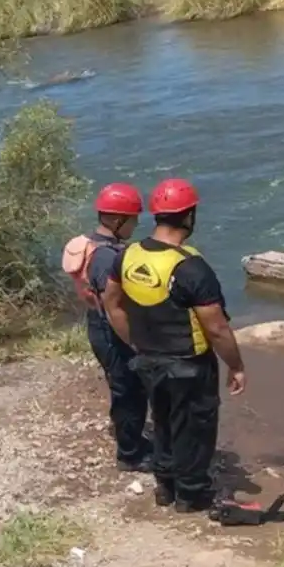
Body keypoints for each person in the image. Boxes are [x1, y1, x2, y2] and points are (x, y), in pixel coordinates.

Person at [101, 178, 246, 512]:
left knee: (163, 420)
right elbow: (217, 328)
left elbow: (112, 303)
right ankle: (191, 495)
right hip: (189, 363)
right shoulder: (191, 267)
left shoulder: (128, 255)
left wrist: (134, 342)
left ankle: (165, 486)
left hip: (148, 359)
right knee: (195, 427)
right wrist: (236, 365)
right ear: (189, 216)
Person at [62, 182, 152, 472]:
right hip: (111, 330)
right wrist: (135, 343)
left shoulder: (93, 245)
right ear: (117, 221)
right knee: (130, 389)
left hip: (98, 324)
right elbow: (113, 307)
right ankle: (130, 454)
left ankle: (131, 437)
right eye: (132, 220)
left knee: (122, 384)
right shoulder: (106, 258)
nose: (135, 225)